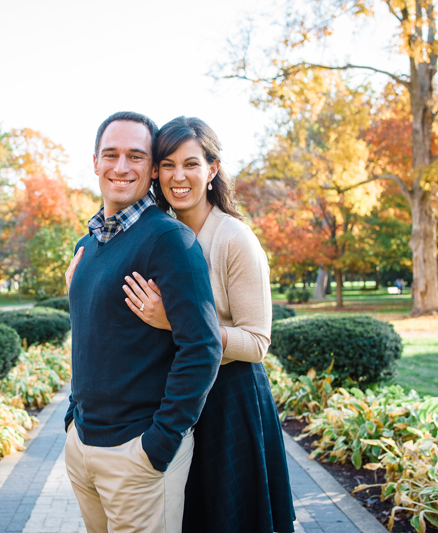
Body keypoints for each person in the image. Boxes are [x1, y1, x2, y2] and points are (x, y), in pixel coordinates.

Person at [68, 116, 295, 532]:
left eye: (191, 164)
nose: (178, 176)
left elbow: (258, 341)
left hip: (228, 397)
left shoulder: (233, 238)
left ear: (212, 169)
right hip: (173, 398)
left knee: (226, 518)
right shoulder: (150, 232)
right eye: (168, 164)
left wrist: (176, 323)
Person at [63, 111, 223, 533]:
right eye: (110, 154)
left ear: (152, 169)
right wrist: (71, 420)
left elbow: (203, 347)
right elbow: (91, 336)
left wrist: (158, 445)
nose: (120, 167)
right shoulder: (87, 244)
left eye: (135, 156)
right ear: (94, 162)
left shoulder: (168, 240)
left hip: (138, 455)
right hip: (82, 447)